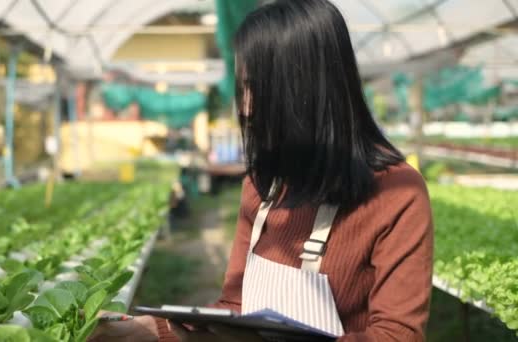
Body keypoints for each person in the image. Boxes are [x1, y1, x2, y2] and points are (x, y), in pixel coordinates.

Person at [89, 0, 433, 341]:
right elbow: (237, 305)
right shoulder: (263, 184)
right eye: (243, 88)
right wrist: (154, 331)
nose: (247, 107)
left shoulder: (396, 193)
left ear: (307, 88)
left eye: (257, 87)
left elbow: (397, 336)